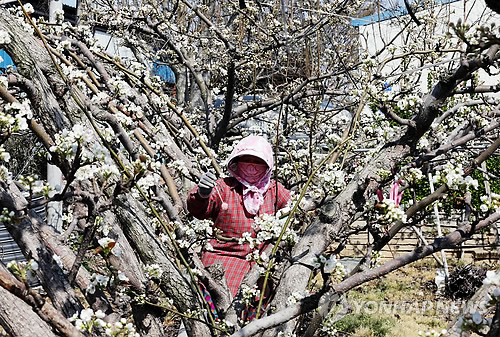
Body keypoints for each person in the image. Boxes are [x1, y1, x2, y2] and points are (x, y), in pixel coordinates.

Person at [187, 135, 291, 300]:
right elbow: (200, 211)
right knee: (211, 310)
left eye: (257, 162)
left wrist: (286, 221)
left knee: (250, 314)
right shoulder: (224, 187)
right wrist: (201, 195)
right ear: (236, 161)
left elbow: (295, 208)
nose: (251, 166)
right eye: (246, 160)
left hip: (258, 266)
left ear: (267, 165)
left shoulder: (274, 190)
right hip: (219, 261)